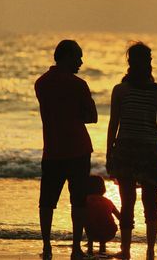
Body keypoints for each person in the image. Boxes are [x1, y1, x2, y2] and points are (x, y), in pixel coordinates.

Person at [106, 42, 157, 259]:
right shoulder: (125, 90)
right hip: (140, 150)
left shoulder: (153, 92)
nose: (148, 63)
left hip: (139, 150)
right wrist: (109, 152)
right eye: (147, 59)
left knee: (138, 202)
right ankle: (138, 250)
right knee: (138, 202)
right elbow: (113, 123)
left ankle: (141, 250)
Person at [35, 40, 98, 260]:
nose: (81, 62)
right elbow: (92, 117)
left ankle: (47, 246)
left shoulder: (41, 83)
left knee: (47, 201)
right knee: (78, 200)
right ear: (66, 56)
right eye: (77, 57)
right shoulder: (78, 84)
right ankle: (76, 249)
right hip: (78, 149)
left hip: (52, 149)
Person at [85, 175, 120, 257]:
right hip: (110, 232)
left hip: (93, 232)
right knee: (102, 222)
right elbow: (119, 216)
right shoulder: (108, 201)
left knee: (88, 219)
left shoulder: (86, 200)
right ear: (102, 188)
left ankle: (90, 246)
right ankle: (102, 245)